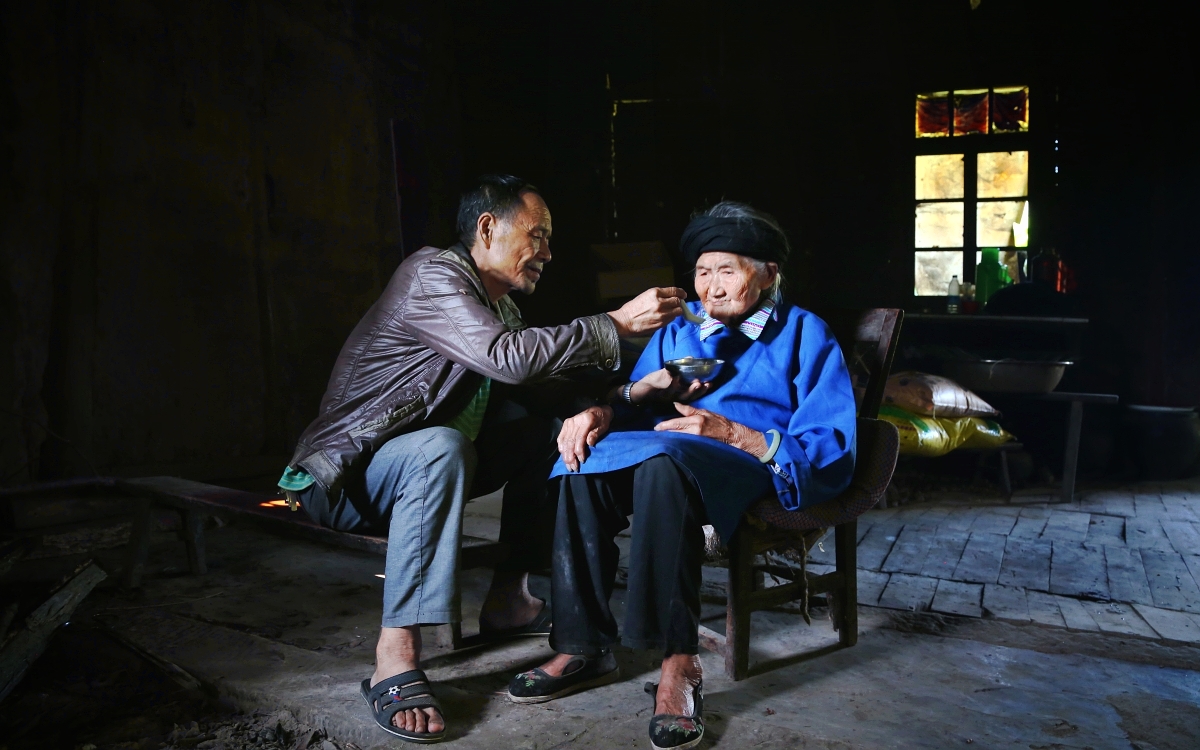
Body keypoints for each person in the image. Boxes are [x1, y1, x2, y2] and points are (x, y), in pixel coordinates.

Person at [279, 175, 687, 743]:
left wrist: (627, 395)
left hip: (424, 477)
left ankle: (508, 603)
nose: (548, 252)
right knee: (440, 445)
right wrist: (614, 324)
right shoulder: (430, 275)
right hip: (345, 480)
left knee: (553, 434)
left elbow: (543, 389)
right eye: (537, 235)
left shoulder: (500, 309)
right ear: (488, 228)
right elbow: (507, 358)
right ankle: (395, 657)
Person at [506, 201, 857, 750]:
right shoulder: (680, 327)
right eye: (702, 271)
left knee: (664, 466)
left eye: (727, 271)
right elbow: (639, 402)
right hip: (669, 454)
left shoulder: (806, 333)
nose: (711, 287)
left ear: (768, 274)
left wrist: (732, 433)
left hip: (744, 461)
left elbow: (831, 445)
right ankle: (583, 645)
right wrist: (604, 410)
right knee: (581, 461)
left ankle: (678, 661)